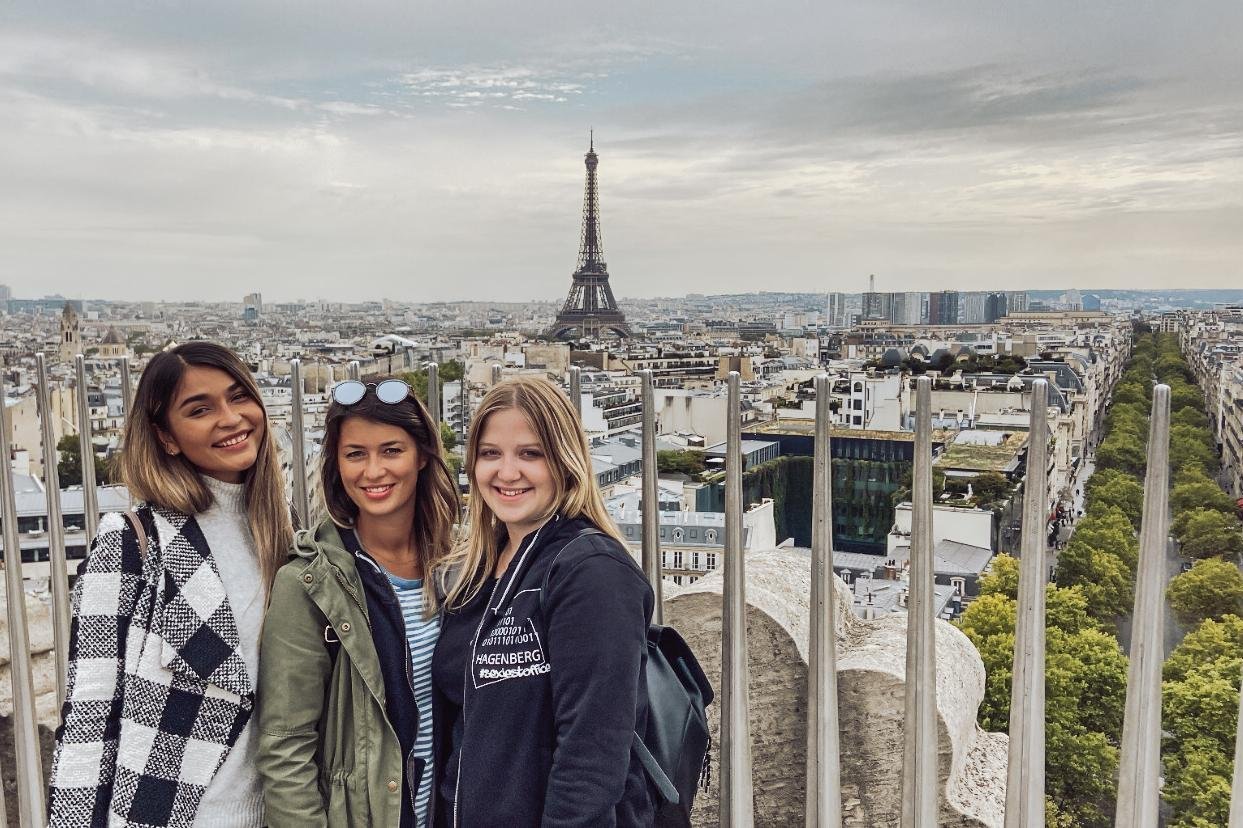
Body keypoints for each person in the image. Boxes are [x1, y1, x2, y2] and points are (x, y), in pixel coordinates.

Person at [49, 342, 293, 828]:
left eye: (238, 396)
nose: (230, 418)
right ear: (167, 438)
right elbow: (88, 716)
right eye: (200, 409)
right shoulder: (134, 541)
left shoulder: (282, 533)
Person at [431, 376, 655, 827]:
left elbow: (590, 757)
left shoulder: (592, 572)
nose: (507, 472)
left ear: (565, 461)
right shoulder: (474, 572)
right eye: (490, 453)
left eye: (530, 454)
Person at [258, 377, 459, 827]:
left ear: (423, 455)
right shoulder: (309, 585)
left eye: (391, 450)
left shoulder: (460, 569)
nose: (372, 471)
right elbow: (285, 746)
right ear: (336, 465)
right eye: (355, 454)